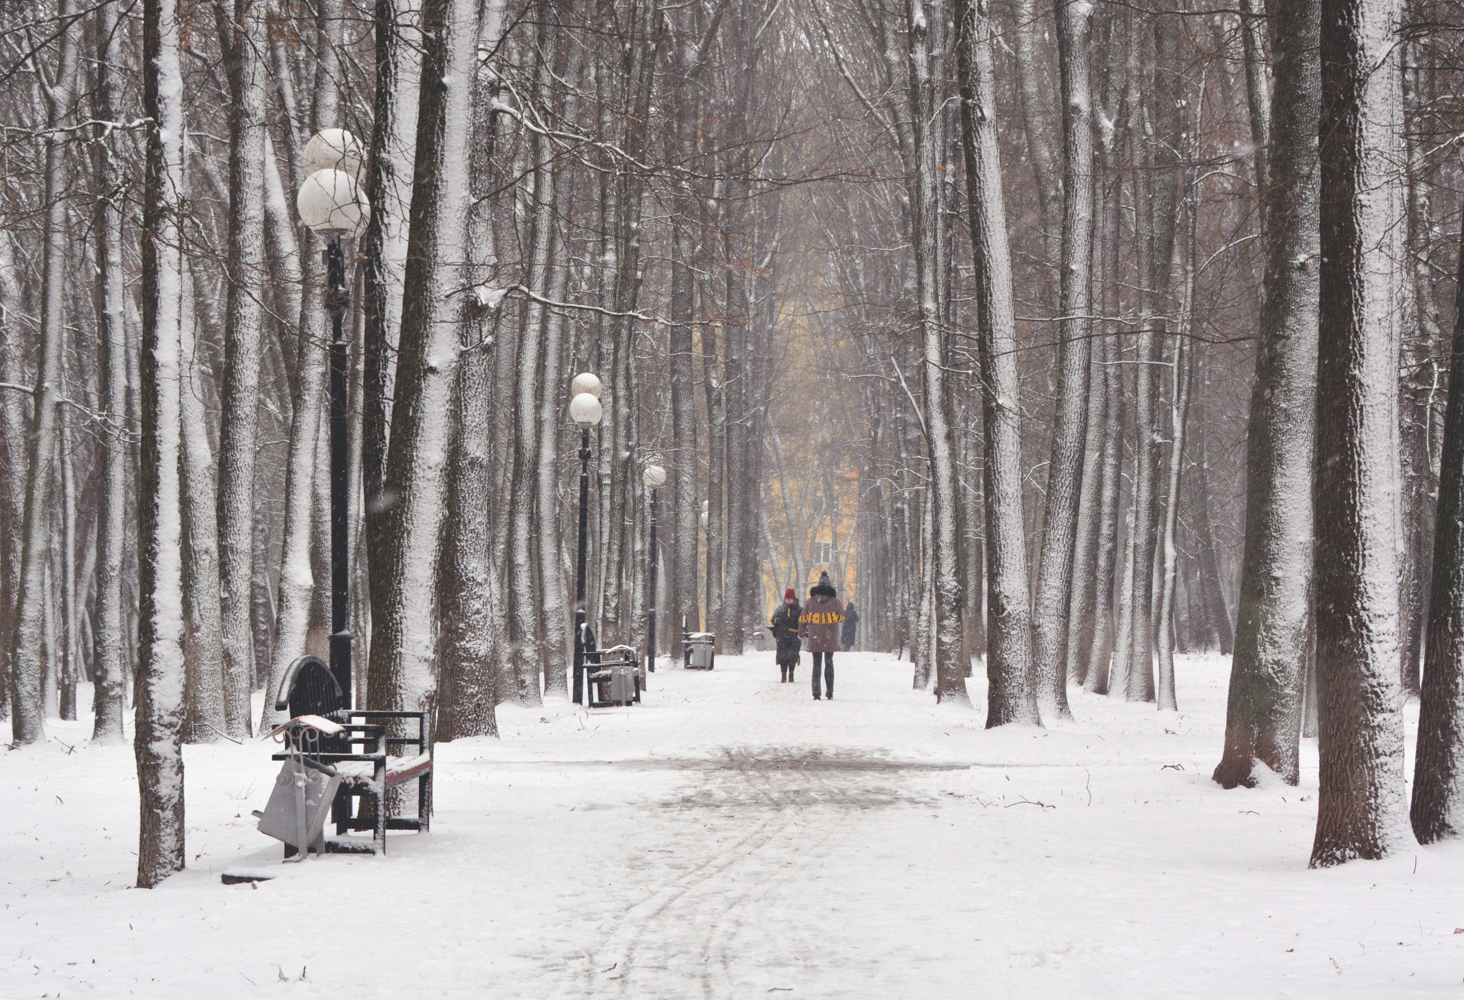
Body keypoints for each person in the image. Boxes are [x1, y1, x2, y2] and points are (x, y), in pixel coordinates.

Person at [799, 572, 845, 700]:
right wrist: (830, 620)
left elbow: (802, 618)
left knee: (816, 665)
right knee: (829, 664)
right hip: (830, 637)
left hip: (815, 637)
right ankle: (829, 692)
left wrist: (802, 632)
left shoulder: (810, 602)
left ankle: (816, 693)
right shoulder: (835, 601)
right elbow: (842, 616)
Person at [770, 588, 802, 683]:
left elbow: (802, 622)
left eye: (790, 598)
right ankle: (783, 673)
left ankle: (791, 673)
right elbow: (773, 620)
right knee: (782, 656)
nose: (788, 600)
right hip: (782, 635)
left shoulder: (799, 610)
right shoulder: (780, 609)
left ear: (794, 599)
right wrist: (778, 621)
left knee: (793, 655)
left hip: (794, 636)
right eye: (787, 598)